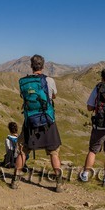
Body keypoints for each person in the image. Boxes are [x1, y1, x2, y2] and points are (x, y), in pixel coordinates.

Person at [16, 54, 63, 191]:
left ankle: (15, 180)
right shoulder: (49, 80)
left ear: (31, 66)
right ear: (43, 66)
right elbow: (54, 95)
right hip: (47, 120)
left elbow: (23, 96)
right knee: (54, 152)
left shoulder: (24, 82)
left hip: (30, 121)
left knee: (23, 150)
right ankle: (59, 183)